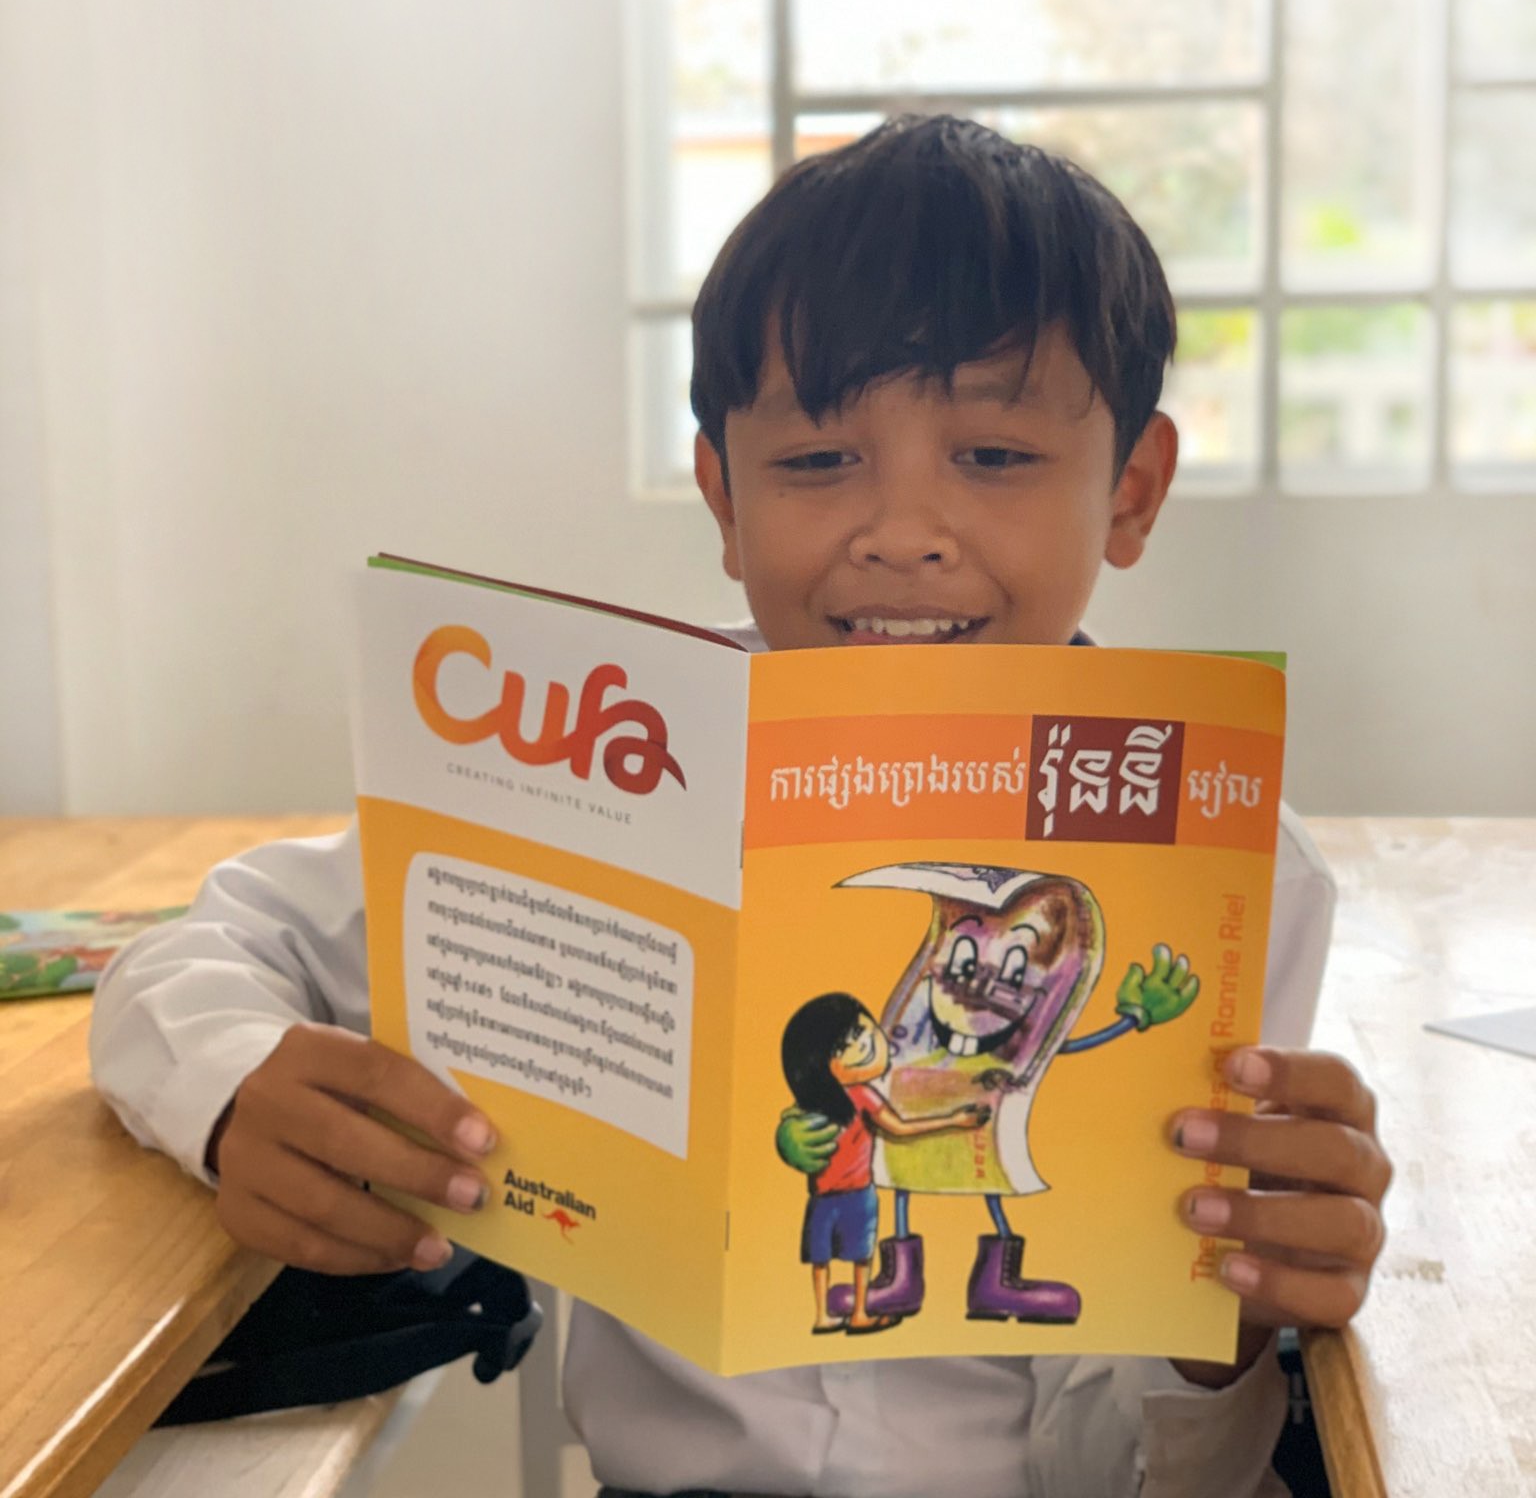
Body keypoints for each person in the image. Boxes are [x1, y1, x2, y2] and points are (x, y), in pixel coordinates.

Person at [90, 115, 1392, 1498]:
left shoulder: (1226, 861)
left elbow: (1159, 1467)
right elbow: (197, 949)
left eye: (994, 457)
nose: (903, 534)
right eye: (819, 462)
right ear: (723, 494)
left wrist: (1224, 1337)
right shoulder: (616, 764)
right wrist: (232, 1088)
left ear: (1130, 491)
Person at [779, 991, 989, 1335]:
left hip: (858, 1193)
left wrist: (954, 1120)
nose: (862, 1045)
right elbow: (791, 1125)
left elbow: (899, 1127)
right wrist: (788, 1139)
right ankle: (821, 1316)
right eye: (843, 1045)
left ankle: (860, 1313)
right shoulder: (815, 1106)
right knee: (820, 1258)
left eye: (862, 1031)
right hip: (823, 1195)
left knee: (861, 1257)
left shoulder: (864, 1096)